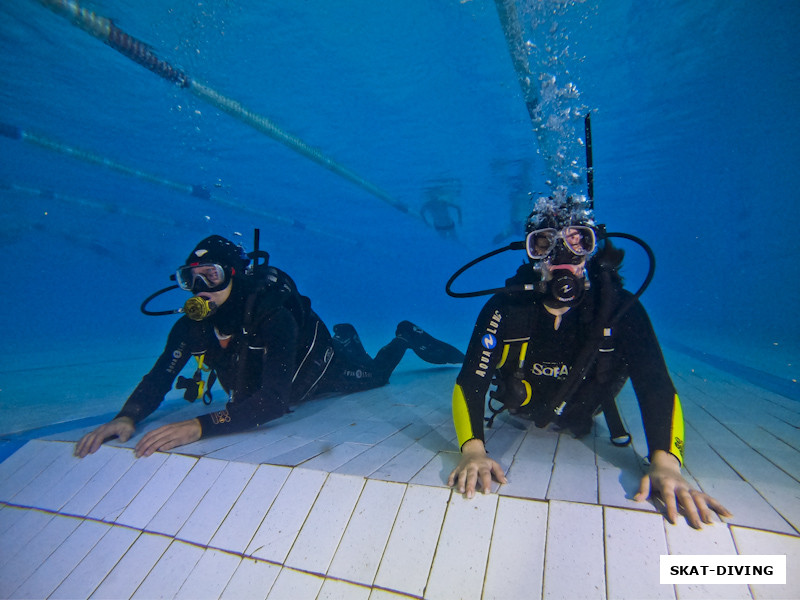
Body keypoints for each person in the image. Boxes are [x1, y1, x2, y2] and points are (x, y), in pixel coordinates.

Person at [447, 205, 732, 529]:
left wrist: (666, 465)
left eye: (577, 241)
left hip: (586, 406)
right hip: (522, 406)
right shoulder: (506, 308)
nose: (562, 256)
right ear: (532, 254)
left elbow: (655, 385)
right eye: (545, 243)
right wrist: (472, 451)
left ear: (592, 249)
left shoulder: (620, 310)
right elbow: (470, 381)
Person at [76, 234, 464, 458]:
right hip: (290, 367)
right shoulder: (192, 326)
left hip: (319, 372)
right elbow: (161, 374)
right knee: (357, 357)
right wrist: (128, 415)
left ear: (233, 275)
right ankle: (348, 337)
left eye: (209, 277)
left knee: (376, 376)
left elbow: (273, 402)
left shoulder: (271, 315)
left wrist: (200, 426)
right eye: (189, 279)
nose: (199, 290)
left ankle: (402, 337)